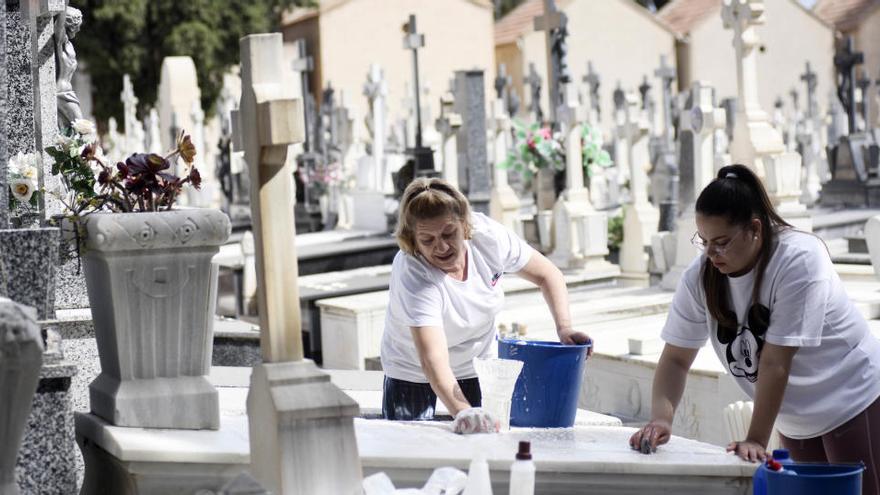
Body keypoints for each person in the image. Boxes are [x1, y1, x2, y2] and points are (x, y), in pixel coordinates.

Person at [629, 164, 880, 494]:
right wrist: (662, 418)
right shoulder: (699, 277)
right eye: (703, 241)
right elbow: (676, 357)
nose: (711, 253)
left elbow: (776, 362)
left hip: (852, 396)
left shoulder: (800, 259)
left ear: (755, 229)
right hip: (796, 415)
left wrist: (755, 439)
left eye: (721, 242)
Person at [380, 177, 590, 433]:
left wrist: (564, 328)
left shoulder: (489, 237)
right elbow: (433, 359)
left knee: (483, 445)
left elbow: (548, 275)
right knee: (413, 452)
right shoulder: (413, 273)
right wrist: (464, 412)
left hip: (476, 364)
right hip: (412, 370)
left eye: (449, 233)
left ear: (465, 225)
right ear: (412, 240)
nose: (442, 246)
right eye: (427, 240)